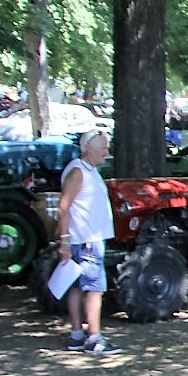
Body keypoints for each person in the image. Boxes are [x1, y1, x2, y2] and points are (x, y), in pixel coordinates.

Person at [54, 130, 119, 355]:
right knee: (93, 289)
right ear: (87, 148)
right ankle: (94, 337)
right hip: (86, 240)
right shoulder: (78, 172)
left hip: (84, 239)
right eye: (103, 147)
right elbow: (63, 207)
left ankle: (76, 334)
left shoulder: (87, 170)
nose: (106, 152)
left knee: (77, 287)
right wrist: (64, 240)